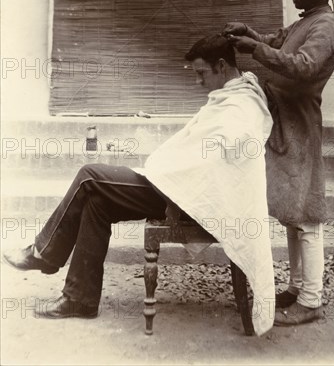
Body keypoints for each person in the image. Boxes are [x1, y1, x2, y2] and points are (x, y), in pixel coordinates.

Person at [3, 35, 275, 336]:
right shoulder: (231, 98)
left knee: (89, 174)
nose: (198, 83)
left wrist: (181, 168)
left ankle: (44, 254)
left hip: (190, 199)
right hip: (178, 186)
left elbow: (228, 159)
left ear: (222, 66)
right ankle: (79, 299)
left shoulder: (244, 106)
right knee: (97, 204)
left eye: (201, 74)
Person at [223, 0, 334, 326]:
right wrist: (250, 34)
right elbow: (280, 41)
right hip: (284, 121)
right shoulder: (307, 20)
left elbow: (302, 67)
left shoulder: (326, 26)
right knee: (292, 213)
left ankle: (311, 299)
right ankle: (296, 289)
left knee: (307, 215)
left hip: (300, 123)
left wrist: (255, 49)